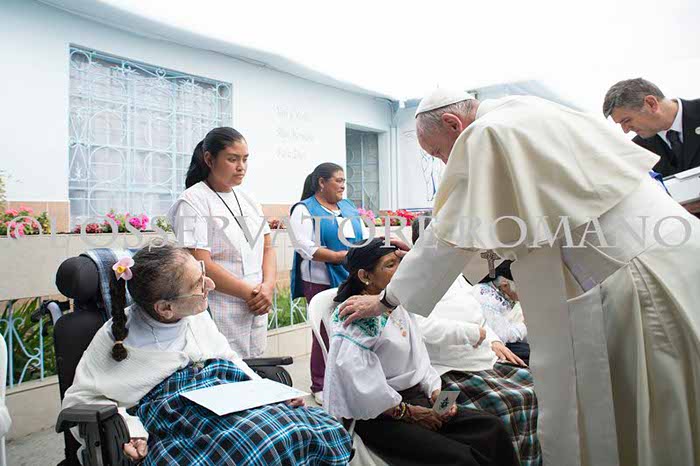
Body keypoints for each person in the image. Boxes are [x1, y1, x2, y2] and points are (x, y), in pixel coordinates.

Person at [339, 88, 700, 466]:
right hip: (663, 256)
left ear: (453, 123)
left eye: (439, 152)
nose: (445, 163)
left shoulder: (486, 133)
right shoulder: (525, 108)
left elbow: (450, 235)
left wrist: (390, 300)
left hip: (625, 279)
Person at [62, 243, 352, 465]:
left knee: (313, 425)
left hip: (226, 399)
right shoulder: (116, 337)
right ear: (165, 308)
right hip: (177, 419)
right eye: (199, 285)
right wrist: (132, 428)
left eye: (203, 274)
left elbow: (229, 360)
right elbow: (81, 401)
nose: (210, 286)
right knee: (259, 442)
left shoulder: (195, 316)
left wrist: (273, 393)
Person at [323, 239, 519, 466]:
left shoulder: (395, 302)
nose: (400, 270)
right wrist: (409, 413)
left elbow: (421, 360)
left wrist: (437, 393)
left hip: (418, 399)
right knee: (461, 458)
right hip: (381, 414)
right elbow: (360, 385)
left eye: (401, 262)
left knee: (492, 429)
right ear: (365, 276)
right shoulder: (355, 317)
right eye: (390, 265)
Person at [411, 219, 540, 465]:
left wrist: (493, 340)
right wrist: (470, 333)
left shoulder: (455, 274)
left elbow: (477, 313)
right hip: (445, 370)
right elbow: (419, 327)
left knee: (535, 388)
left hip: (482, 358)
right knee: (503, 406)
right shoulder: (412, 278)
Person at [168, 127, 276, 358]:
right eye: (232, 159)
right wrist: (251, 293)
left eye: (245, 159)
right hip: (221, 306)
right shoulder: (192, 201)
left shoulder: (248, 198)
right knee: (225, 366)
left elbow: (267, 248)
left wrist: (268, 286)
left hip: (256, 304)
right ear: (209, 159)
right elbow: (200, 263)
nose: (241, 167)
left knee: (255, 366)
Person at [289, 162, 365, 405]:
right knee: (324, 332)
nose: (343, 185)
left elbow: (363, 235)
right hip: (319, 281)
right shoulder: (304, 209)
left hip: (350, 276)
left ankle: (347, 381)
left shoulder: (347, 206)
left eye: (344, 181)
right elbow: (304, 246)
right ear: (322, 182)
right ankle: (320, 385)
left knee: (351, 330)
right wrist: (338, 257)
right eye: (338, 180)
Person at [603, 77, 700, 177]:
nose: (625, 130)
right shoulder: (638, 150)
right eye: (621, 124)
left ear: (651, 103)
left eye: (627, 120)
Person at [474, 260, 531, 364]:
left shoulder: (501, 296)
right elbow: (501, 336)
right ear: (505, 284)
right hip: (487, 345)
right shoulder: (486, 295)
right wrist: (525, 325)